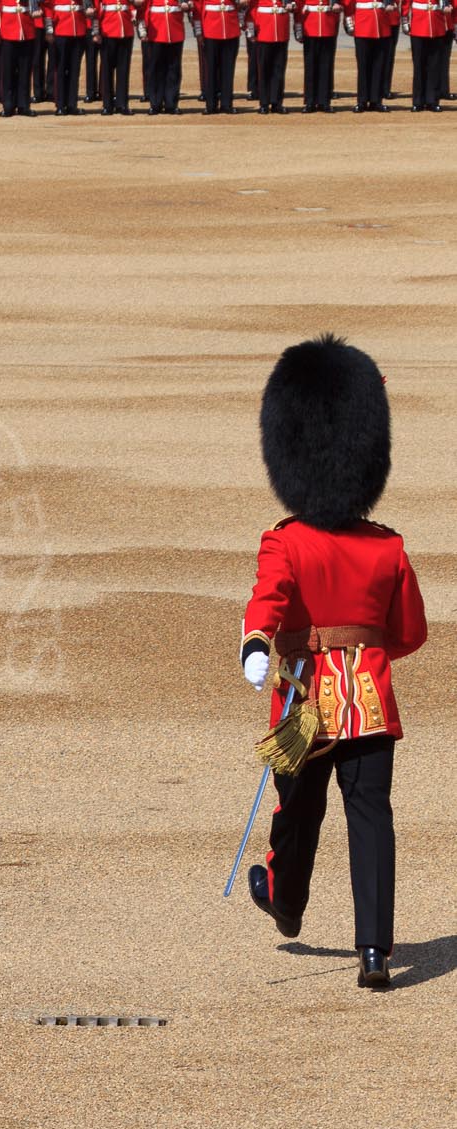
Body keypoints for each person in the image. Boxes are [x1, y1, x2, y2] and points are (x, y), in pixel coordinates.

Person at [242, 336, 425, 991]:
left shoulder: (284, 542)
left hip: (298, 699)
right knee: (370, 816)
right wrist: (365, 652)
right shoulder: (387, 547)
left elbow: (267, 599)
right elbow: (410, 632)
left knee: (297, 811)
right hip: (371, 696)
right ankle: (374, 952)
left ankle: (286, 901)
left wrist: (259, 647)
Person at [347, 0, 398, 110]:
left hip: (381, 23)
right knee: (363, 66)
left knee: (379, 65)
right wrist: (348, 18)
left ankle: (376, 100)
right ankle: (362, 101)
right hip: (363, 23)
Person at [0, 0, 38, 112]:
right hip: (8, 30)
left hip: (27, 29)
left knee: (25, 71)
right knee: (8, 71)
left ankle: (24, 104)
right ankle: (8, 104)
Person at [404, 0, 450, 109]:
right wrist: (405, 19)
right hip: (418, 23)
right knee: (419, 65)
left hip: (436, 23)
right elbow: (406, 2)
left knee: (434, 65)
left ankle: (432, 100)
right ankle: (418, 101)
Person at [43, 0, 88, 110]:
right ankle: (60, 104)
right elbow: (48, 6)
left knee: (74, 70)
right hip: (61, 29)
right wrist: (49, 29)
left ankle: (72, 104)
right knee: (60, 69)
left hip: (78, 29)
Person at [296, 0, 341, 109]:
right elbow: (299, 4)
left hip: (327, 22)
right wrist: (298, 25)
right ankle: (310, 101)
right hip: (310, 24)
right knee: (310, 65)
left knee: (326, 65)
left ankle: (324, 101)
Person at [137, 0, 181, 111]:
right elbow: (143, 8)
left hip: (175, 29)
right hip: (156, 31)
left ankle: (171, 103)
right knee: (156, 69)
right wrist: (142, 29)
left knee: (173, 68)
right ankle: (155, 103)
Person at [194, 0, 237, 110]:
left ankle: (226, 103)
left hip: (230, 28)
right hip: (210, 29)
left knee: (228, 70)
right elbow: (198, 8)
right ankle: (210, 104)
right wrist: (199, 31)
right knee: (211, 69)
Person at [247, 0, 289, 110]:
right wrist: (251, 30)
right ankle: (264, 103)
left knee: (279, 69)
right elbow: (252, 8)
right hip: (264, 30)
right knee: (264, 69)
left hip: (281, 30)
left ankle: (277, 102)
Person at [91, 0, 132, 111]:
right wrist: (96, 32)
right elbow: (96, 11)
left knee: (123, 71)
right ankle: (107, 104)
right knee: (107, 70)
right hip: (107, 32)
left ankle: (122, 104)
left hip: (125, 31)